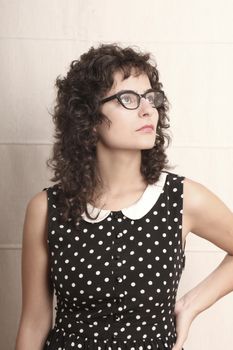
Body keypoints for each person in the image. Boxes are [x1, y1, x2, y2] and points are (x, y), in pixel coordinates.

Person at [15, 43, 233, 350]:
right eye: (127, 99)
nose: (147, 110)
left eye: (151, 98)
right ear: (88, 118)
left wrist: (191, 304)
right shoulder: (46, 208)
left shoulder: (181, 198)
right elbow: (34, 323)